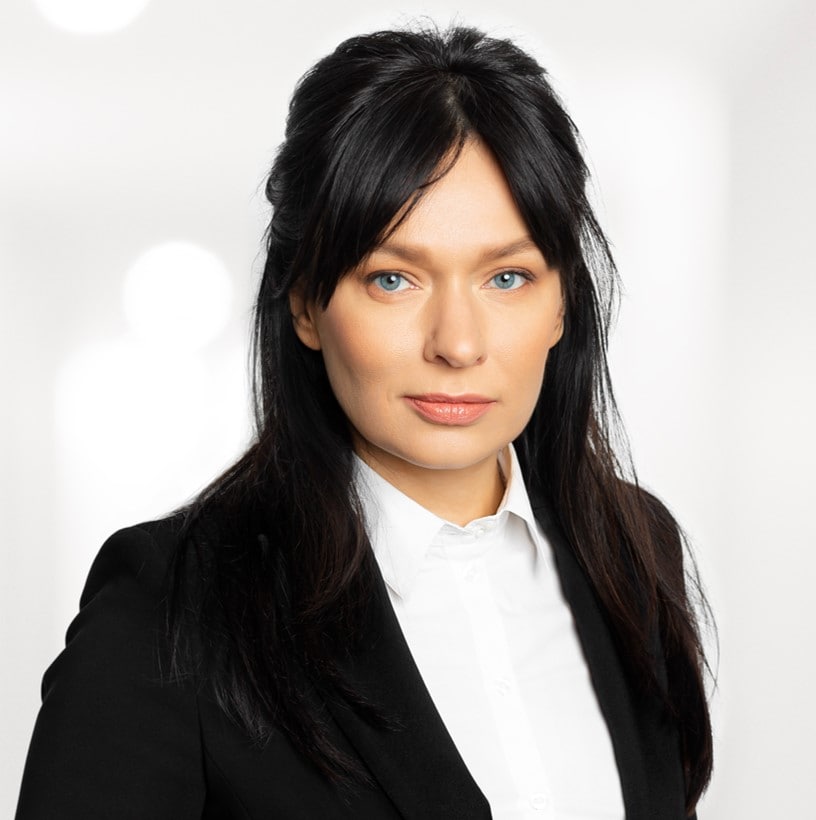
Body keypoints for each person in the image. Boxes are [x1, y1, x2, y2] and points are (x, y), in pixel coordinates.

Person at [16, 24, 713, 820]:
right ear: (306, 303)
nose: (457, 344)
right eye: (393, 279)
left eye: (507, 277)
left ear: (562, 303)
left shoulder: (632, 551)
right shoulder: (173, 606)